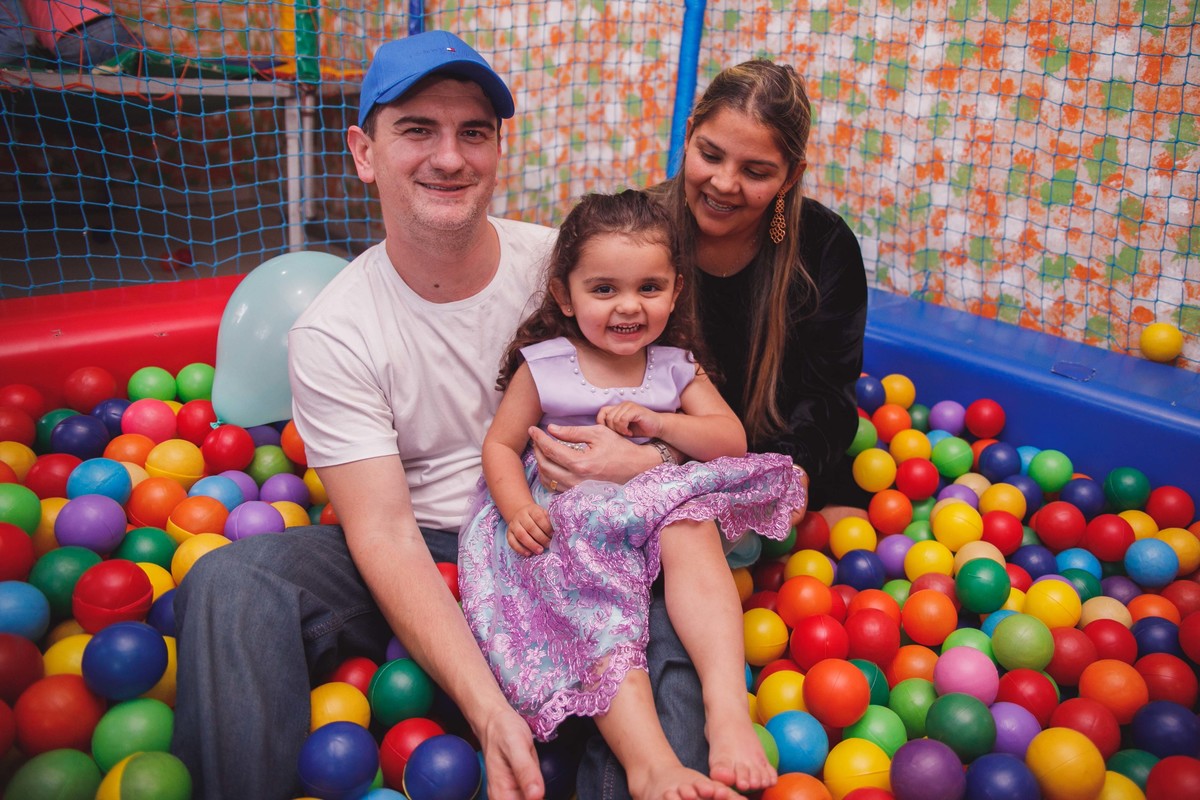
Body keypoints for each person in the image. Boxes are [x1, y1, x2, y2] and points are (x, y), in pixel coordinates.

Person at [172, 31, 713, 800]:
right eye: (417, 130)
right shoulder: (335, 329)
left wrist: (651, 464)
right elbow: (382, 532)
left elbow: (674, 399)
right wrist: (487, 710)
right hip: (423, 546)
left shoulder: (570, 270)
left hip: (566, 536)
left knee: (665, 637)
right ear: (363, 152)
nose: (450, 158)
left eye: (473, 133)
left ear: (498, 151)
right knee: (230, 582)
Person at [530, 58, 869, 790]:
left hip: (757, 469)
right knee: (613, 585)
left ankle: (713, 715)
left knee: (843, 564)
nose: (723, 183)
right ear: (688, 136)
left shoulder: (824, 251)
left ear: (790, 175)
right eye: (710, 154)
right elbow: (560, 374)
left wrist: (677, 475)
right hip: (648, 476)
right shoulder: (642, 238)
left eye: (755, 170)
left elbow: (830, 404)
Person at [459, 190, 805, 797]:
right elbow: (499, 446)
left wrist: (662, 424)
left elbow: (730, 438)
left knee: (689, 522)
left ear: (675, 291)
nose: (629, 306)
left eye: (649, 287)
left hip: (657, 513)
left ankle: (727, 712)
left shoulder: (675, 366)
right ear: (565, 295)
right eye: (604, 289)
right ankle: (649, 763)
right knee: (597, 598)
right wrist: (518, 509)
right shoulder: (545, 366)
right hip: (574, 521)